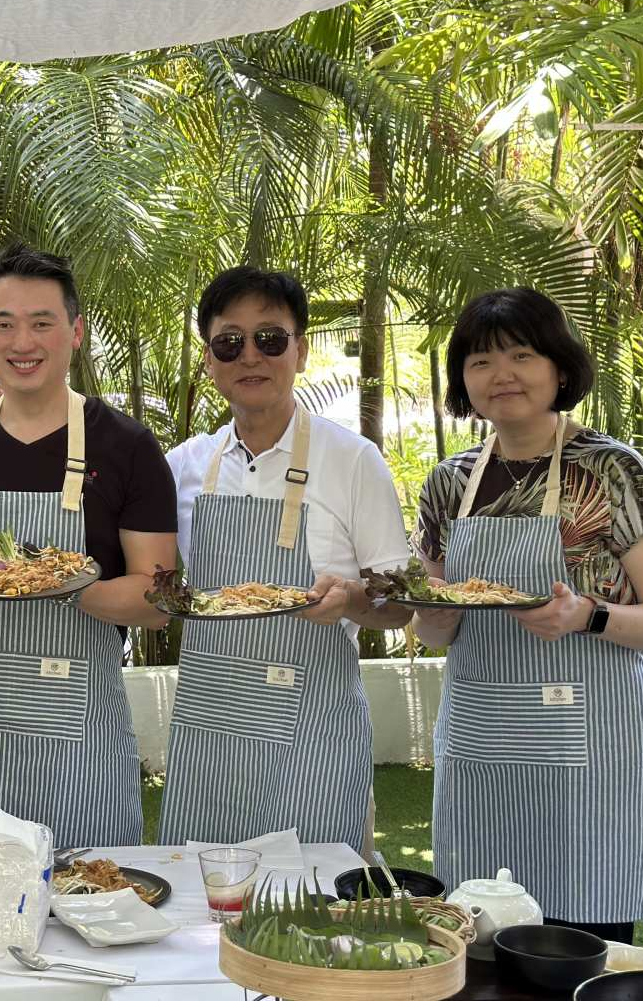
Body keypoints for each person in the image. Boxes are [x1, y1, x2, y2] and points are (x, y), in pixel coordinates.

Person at [412, 287, 643, 944]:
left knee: (582, 943)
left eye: (521, 354)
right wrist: (427, 607)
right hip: (485, 742)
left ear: (559, 369)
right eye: (479, 361)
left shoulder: (614, 470)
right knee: (479, 940)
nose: (500, 374)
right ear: (463, 381)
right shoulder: (450, 481)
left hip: (592, 744)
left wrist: (588, 615)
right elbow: (432, 625)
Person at [0, 243, 179, 846]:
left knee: (92, 903)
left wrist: (59, 586)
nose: (21, 341)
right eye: (3, 323)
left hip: (82, 744)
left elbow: (159, 596)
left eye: (41, 323)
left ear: (75, 333)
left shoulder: (126, 448)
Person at [157, 266, 412, 851]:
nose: (251, 356)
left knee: (316, 918)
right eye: (230, 342)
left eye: (270, 339)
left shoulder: (354, 460)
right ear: (208, 359)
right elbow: (154, 584)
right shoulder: (183, 467)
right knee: (207, 915)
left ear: (299, 350)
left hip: (314, 737)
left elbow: (398, 607)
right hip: (211, 740)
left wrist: (352, 600)